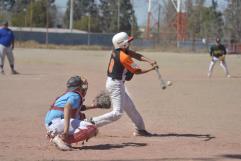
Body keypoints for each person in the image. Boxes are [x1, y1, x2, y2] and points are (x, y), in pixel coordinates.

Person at [89, 32, 158, 137]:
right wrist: (151, 69)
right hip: (115, 84)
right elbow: (137, 71)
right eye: (128, 42)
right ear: (123, 44)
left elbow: (135, 55)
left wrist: (149, 61)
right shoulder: (124, 57)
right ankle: (91, 123)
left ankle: (140, 129)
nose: (129, 43)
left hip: (116, 83)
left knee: (130, 107)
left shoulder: (118, 51)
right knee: (117, 113)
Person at [44, 75, 98, 151]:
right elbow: (67, 108)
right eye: (82, 85)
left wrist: (94, 106)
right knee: (92, 128)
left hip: (51, 124)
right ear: (78, 87)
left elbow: (78, 108)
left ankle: (55, 135)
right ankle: (61, 139)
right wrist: (66, 131)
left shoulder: (68, 95)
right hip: (58, 122)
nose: (84, 87)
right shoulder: (76, 96)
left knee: (80, 116)